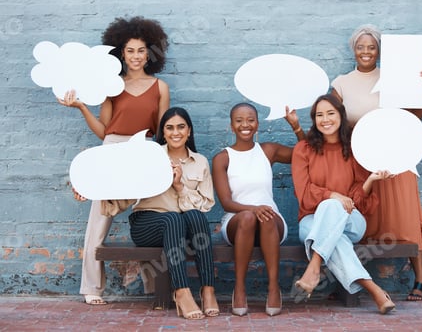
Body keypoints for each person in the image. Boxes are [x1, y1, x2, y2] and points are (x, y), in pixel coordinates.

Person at [57, 16, 170, 305]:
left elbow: (162, 132)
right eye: (130, 50)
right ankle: (91, 288)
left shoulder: (160, 87)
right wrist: (82, 107)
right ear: (121, 52)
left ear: (150, 53)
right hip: (112, 151)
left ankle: (151, 285)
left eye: (141, 50)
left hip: (144, 151)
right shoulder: (111, 85)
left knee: (149, 216)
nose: (135, 56)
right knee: (99, 220)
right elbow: (104, 131)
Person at [330, 24, 422, 301]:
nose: (366, 51)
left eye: (372, 46)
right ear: (353, 49)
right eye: (360, 46)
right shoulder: (341, 83)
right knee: (366, 219)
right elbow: (332, 123)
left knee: (406, 216)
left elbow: (413, 118)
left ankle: (420, 280)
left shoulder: (395, 77)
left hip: (397, 155)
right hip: (362, 159)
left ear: (378, 51)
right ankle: (349, 279)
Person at [292, 94, 395, 314]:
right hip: (311, 220)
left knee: (331, 210)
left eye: (331, 113)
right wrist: (334, 196)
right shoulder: (303, 149)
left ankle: (314, 266)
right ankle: (375, 290)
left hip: (352, 220)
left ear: (340, 115)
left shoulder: (355, 148)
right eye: (319, 115)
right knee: (334, 234)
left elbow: (358, 202)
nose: (325, 119)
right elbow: (304, 193)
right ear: (314, 119)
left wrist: (370, 180)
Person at [212, 103, 303, 316]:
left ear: (257, 124)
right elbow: (226, 202)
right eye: (239, 120)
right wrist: (253, 209)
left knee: (267, 216)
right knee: (247, 218)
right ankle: (240, 288)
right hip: (237, 222)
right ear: (231, 126)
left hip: (270, 222)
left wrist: (296, 127)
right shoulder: (222, 158)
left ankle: (273, 287)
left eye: (251, 120)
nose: (245, 124)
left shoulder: (267, 151)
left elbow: (305, 154)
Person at [127, 107, 218, 320]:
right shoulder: (150, 158)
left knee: (195, 216)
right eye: (169, 128)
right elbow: (126, 193)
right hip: (147, 224)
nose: (175, 132)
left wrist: (179, 187)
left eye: (180, 127)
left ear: (189, 131)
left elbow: (205, 204)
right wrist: (90, 191)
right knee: (172, 218)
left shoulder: (200, 161)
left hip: (181, 227)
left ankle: (208, 289)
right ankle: (182, 291)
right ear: (163, 132)